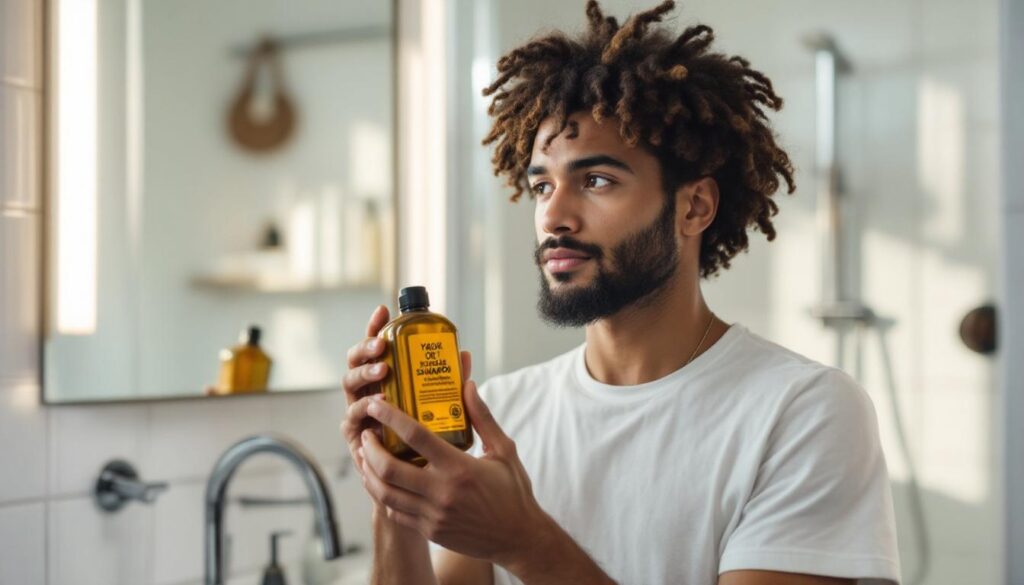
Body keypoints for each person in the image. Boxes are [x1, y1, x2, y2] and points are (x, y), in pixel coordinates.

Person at [340, 1, 900, 583]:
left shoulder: (803, 412)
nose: (554, 215)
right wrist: (395, 492)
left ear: (694, 206)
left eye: (596, 180)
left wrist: (526, 542)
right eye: (541, 185)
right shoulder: (501, 415)